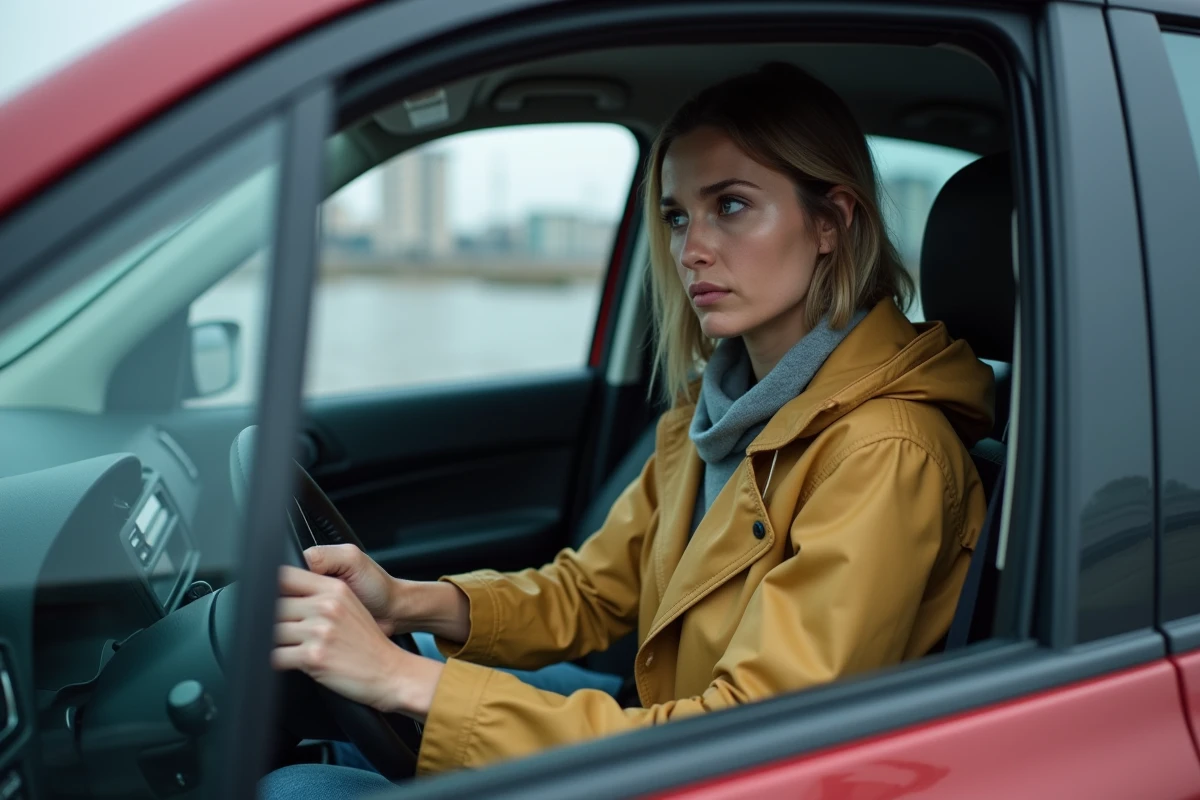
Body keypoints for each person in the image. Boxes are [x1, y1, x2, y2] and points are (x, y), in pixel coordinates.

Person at [260, 61, 994, 797]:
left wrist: (402, 679)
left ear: (831, 222)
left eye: (731, 206)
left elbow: (753, 741)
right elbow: (590, 594)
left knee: (301, 788)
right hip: (670, 730)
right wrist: (404, 601)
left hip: (721, 767)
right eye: (677, 216)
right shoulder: (711, 413)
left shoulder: (888, 452)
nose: (691, 249)